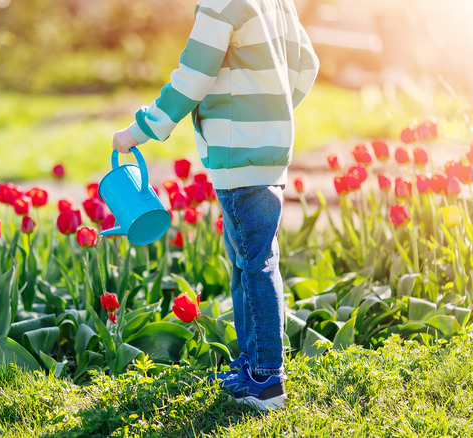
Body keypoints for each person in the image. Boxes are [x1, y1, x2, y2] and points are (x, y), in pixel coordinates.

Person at [112, 0, 319, 411]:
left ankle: (265, 379)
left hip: (236, 155)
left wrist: (139, 130)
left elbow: (192, 78)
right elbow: (307, 64)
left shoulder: (219, 5)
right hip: (270, 151)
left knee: (255, 264)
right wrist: (271, 117)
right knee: (250, 262)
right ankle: (253, 365)